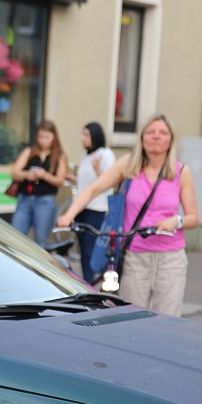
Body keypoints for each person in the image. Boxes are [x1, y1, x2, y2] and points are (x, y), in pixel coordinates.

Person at [58, 114, 199, 316]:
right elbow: (93, 189)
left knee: (168, 321)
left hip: (170, 259)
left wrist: (176, 220)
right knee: (133, 317)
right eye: (150, 132)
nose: (156, 136)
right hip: (135, 256)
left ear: (171, 140)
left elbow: (194, 217)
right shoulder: (129, 165)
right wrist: (69, 215)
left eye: (162, 132)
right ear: (142, 138)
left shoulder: (181, 171)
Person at [69, 121, 117, 283]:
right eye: (82, 134)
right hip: (82, 208)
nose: (83, 138)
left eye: (86, 135)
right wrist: (72, 179)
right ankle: (87, 281)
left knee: (93, 249)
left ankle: (103, 282)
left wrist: (97, 168)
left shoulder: (105, 154)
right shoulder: (86, 155)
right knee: (83, 248)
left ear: (95, 136)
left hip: (96, 209)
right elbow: (85, 184)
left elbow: (107, 181)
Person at [10, 119, 68, 248]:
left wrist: (45, 175)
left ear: (54, 137)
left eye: (47, 137)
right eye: (41, 137)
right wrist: (27, 175)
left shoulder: (59, 156)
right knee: (15, 237)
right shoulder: (29, 152)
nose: (43, 140)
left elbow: (59, 181)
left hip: (45, 202)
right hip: (25, 199)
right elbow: (14, 173)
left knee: (41, 242)